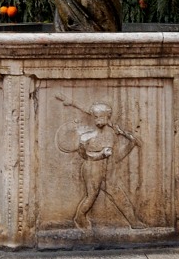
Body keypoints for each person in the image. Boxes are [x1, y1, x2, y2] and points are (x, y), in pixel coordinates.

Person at [54, 94, 142, 230]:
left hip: (108, 169)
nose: (98, 120)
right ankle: (80, 217)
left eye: (101, 116)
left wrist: (131, 144)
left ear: (108, 117)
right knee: (92, 196)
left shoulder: (112, 134)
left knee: (118, 195)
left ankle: (134, 221)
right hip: (92, 168)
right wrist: (101, 155)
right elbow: (84, 155)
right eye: (96, 117)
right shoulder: (86, 136)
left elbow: (117, 157)